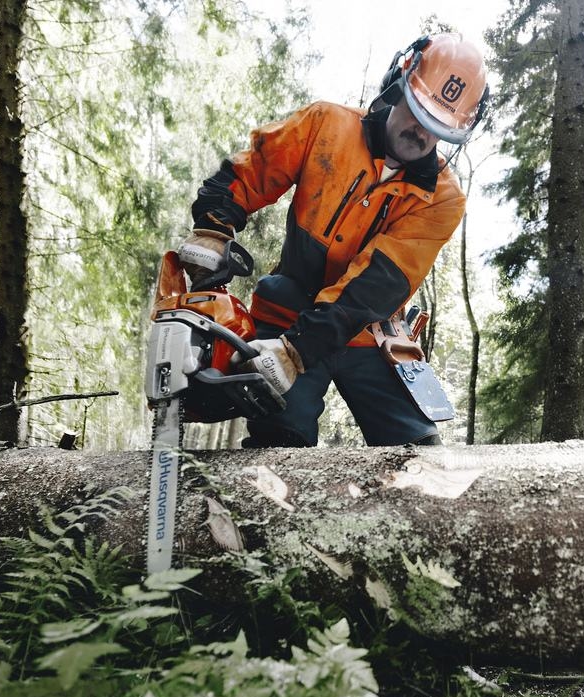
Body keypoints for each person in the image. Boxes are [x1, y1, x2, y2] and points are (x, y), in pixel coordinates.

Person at [177, 33, 489, 448]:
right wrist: (215, 226)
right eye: (417, 111)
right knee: (280, 439)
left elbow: (378, 283)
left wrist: (298, 350)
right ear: (397, 85)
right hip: (289, 307)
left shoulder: (443, 199)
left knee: (417, 451)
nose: (421, 133)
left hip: (370, 331)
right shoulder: (326, 125)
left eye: (438, 128)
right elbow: (252, 170)